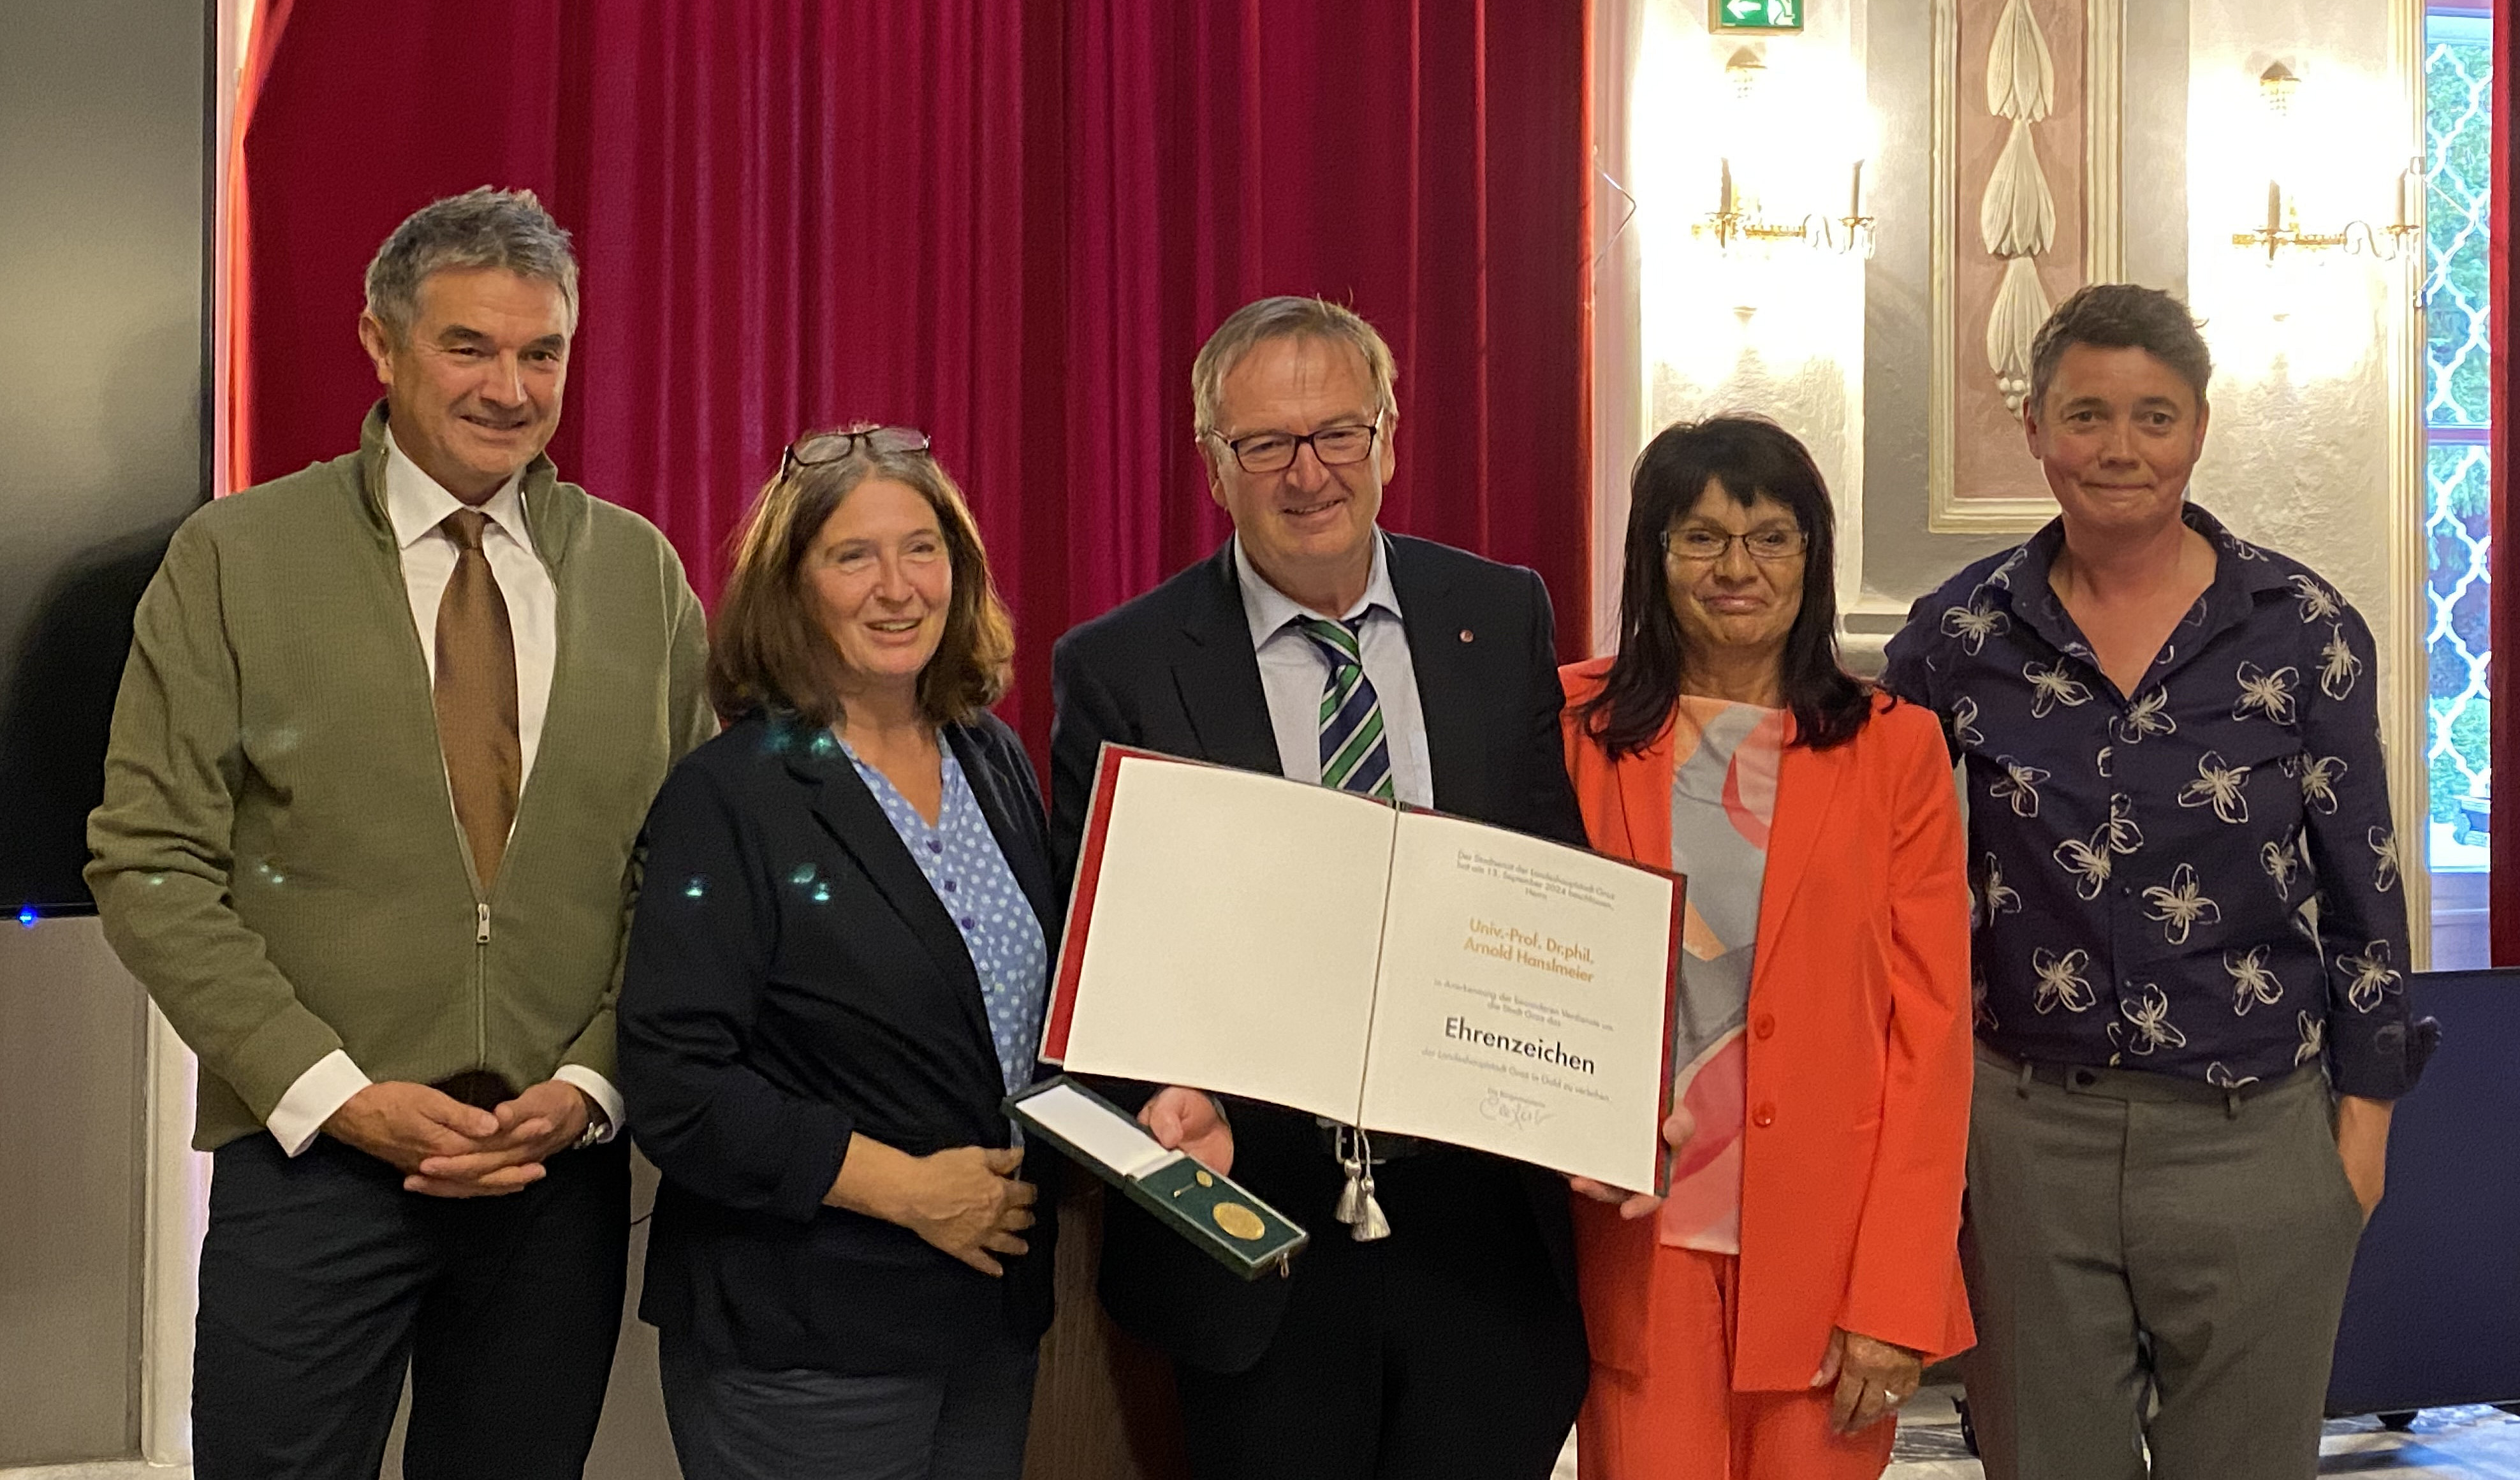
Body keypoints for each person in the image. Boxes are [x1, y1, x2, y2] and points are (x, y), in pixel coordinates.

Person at [87, 188, 714, 1480]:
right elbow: (149, 860)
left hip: (557, 1175)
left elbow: (692, 875)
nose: (510, 386)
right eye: (469, 346)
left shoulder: (642, 575)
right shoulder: (236, 559)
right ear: (380, 345)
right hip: (313, 1163)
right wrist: (337, 1096)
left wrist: (595, 1085)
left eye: (541, 351)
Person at [1885, 282, 2429, 1480]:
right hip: (2024, 1140)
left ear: (2199, 427)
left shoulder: (2307, 631)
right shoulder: (1953, 640)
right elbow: (1893, 885)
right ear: (2033, 426)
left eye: (2154, 416)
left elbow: (2366, 894)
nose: (2119, 449)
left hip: (2258, 1140)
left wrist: (2361, 1139)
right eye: (2086, 414)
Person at [1048, 296, 1591, 1480]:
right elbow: (1098, 961)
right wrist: (1166, 1095)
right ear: (1212, 466)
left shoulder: (1499, 619)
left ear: (1390, 440)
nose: (1309, 474)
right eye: (1266, 445)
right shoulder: (1122, 669)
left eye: (1338, 433)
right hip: (1259, 1237)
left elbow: (1557, 880)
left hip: (1482, 1236)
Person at [619, 425, 1060, 1480]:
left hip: (985, 1321)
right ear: (792, 586)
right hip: (806, 1341)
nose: (896, 587)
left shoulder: (989, 756)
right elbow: (679, 1085)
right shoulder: (730, 796)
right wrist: (908, 1192)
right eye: (852, 556)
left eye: (922, 549)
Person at [1562, 416, 1973, 1480]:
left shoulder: (1897, 748)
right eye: (1700, 537)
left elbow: (1932, 1040)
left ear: (1813, 558)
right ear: (1653, 557)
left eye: (1771, 538)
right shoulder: (1571, 727)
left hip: (1830, 1254)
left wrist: (1897, 1294)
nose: (1736, 568)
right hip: (1637, 1243)